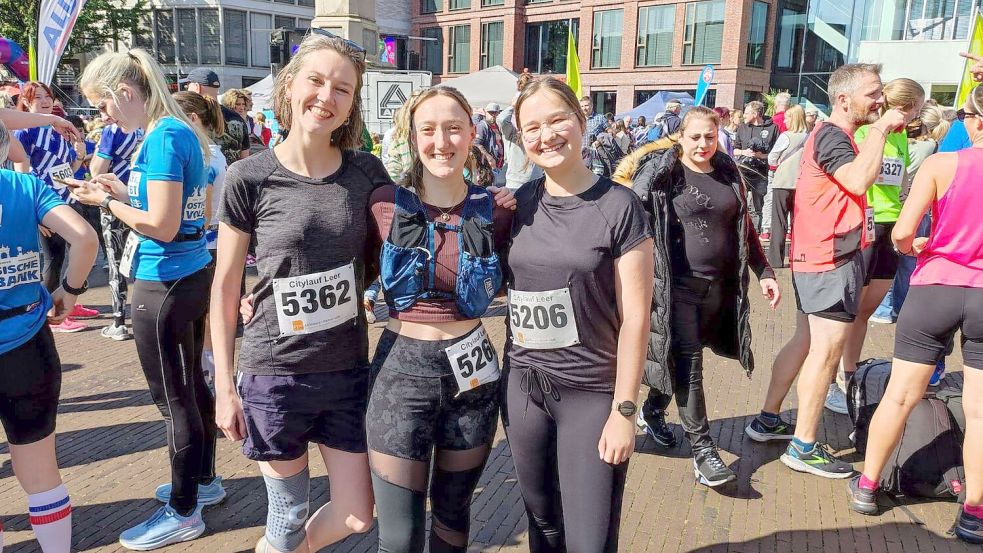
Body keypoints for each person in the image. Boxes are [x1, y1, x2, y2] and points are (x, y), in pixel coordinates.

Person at [211, 33, 385, 553]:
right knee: (287, 516)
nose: (326, 97)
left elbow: (387, 258)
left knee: (358, 515)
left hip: (345, 369)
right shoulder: (249, 177)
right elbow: (224, 287)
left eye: (342, 89)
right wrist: (224, 386)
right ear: (290, 87)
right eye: (316, 81)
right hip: (274, 372)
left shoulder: (366, 173)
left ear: (352, 104)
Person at [72, 49, 219, 549]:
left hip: (166, 279)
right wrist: (125, 192)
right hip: (186, 271)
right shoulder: (175, 131)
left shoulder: (162, 137)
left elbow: (163, 224)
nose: (104, 119)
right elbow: (170, 208)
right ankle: (202, 482)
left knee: (173, 398)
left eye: (105, 107)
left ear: (125, 93)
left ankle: (183, 510)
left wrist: (106, 201)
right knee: (191, 387)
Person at [505, 77, 653, 552]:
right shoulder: (519, 204)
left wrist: (625, 411)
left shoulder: (620, 206)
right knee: (543, 524)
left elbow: (637, 318)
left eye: (556, 120)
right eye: (532, 127)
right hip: (524, 386)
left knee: (589, 538)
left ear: (582, 122)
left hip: (591, 394)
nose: (545, 136)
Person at [364, 85, 513, 553]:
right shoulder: (382, 203)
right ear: (412, 137)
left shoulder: (502, 210)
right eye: (428, 129)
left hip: (473, 375)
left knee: (452, 520)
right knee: (400, 536)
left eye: (453, 128)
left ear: (473, 135)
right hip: (399, 373)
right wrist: (255, 299)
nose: (441, 141)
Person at [744, 63, 906, 479]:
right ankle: (803, 445)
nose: (881, 100)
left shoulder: (837, 136)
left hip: (818, 258)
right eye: (873, 93)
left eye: (881, 92)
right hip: (830, 262)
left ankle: (768, 419)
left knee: (804, 341)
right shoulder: (835, 135)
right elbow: (856, 180)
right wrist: (884, 131)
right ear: (843, 99)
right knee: (826, 352)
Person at [845, 85, 983, 546]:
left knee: (901, 396)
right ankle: (973, 514)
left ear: (975, 119)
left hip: (936, 287)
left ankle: (867, 486)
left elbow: (903, 231)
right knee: (981, 413)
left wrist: (912, 246)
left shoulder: (942, 165)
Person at [615, 107, 780, 487]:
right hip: (676, 289)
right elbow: (629, 219)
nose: (702, 144)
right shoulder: (663, 174)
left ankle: (654, 410)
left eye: (709, 136)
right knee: (689, 366)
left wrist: (765, 272)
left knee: (683, 358)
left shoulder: (727, 171)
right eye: (694, 137)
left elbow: (745, 229)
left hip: (720, 289)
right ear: (680, 137)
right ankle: (704, 452)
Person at [0, 118, 98, 553]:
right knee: (41, 470)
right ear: (5, 148)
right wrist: (69, 293)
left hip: (25, 338)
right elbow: (84, 237)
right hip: (28, 344)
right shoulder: (25, 188)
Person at [827, 78, 925, 414]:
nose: (918, 115)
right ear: (904, 106)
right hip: (865, 224)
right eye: (916, 108)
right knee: (849, 311)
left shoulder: (901, 137)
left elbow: (898, 182)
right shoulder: (869, 131)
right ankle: (836, 379)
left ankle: (850, 375)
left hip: (890, 225)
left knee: (866, 311)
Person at [13, 81, 97, 334]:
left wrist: (80, 156)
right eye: (37, 97)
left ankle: (70, 300)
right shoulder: (24, 132)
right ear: (26, 103)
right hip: (44, 205)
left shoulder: (54, 128)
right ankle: (50, 310)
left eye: (47, 95)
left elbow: (65, 170)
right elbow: (23, 174)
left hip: (68, 200)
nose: (45, 100)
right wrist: (34, 214)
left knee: (78, 254)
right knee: (53, 258)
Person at [871, 104, 950, 326]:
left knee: (895, 261)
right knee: (906, 262)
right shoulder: (930, 147)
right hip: (915, 206)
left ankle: (887, 308)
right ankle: (899, 307)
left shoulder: (905, 145)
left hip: (900, 205)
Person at [173, 90, 227, 389]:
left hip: (204, 244)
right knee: (211, 314)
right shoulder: (213, 152)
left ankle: (213, 376)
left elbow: (202, 211)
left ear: (192, 119)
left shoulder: (204, 155)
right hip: (214, 243)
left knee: (206, 315)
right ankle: (214, 374)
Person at [90, 121, 143, 341]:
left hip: (113, 199)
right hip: (140, 198)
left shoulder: (112, 131)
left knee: (116, 259)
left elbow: (97, 170)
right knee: (142, 256)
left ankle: (119, 320)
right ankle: (143, 314)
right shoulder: (148, 126)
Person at [765, 105, 809, 268]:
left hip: (783, 182)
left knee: (779, 221)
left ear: (794, 118)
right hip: (801, 183)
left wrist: (779, 163)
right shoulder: (809, 136)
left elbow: (772, 158)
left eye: (788, 117)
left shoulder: (786, 136)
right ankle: (797, 257)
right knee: (799, 222)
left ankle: (776, 260)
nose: (785, 120)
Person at [186, 68, 250, 166]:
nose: (187, 89)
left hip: (200, 178)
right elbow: (245, 159)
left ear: (196, 87)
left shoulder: (190, 117)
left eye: (188, 86)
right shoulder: (238, 119)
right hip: (230, 178)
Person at [733, 100, 779, 234]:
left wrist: (761, 156)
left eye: (747, 113)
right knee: (740, 201)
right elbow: (735, 150)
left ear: (755, 113)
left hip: (761, 171)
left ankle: (757, 231)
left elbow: (777, 152)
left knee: (758, 204)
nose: (744, 116)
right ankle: (741, 230)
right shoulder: (742, 128)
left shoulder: (772, 128)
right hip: (743, 169)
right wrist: (743, 152)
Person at [497, 71, 543, 191]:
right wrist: (512, 106)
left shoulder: (538, 131)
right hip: (516, 184)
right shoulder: (512, 132)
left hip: (538, 182)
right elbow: (501, 120)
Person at [474, 102, 504, 174]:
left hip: (499, 165)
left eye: (495, 113)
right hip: (488, 167)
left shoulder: (497, 126)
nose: (493, 115)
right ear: (485, 112)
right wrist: (488, 157)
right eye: (491, 113)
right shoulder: (482, 126)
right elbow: (476, 144)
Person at [579, 95, 607, 162]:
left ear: (592, 106)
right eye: (582, 106)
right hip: (580, 154)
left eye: (586, 105)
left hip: (595, 154)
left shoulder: (601, 118)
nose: (584, 108)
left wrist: (599, 141)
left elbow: (609, 133)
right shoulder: (578, 119)